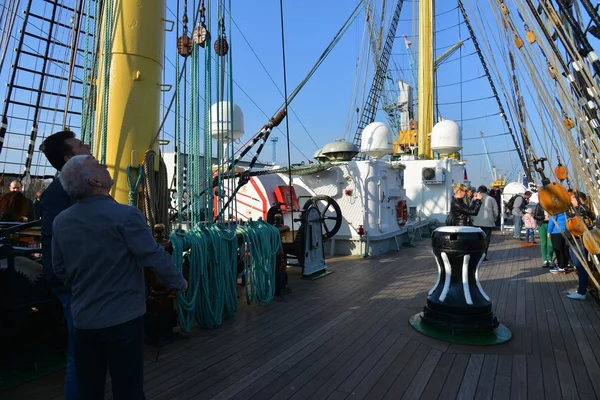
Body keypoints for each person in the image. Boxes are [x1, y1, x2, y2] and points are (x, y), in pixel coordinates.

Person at [52, 155, 187, 400]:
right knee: (128, 387)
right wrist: (180, 283)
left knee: (89, 388)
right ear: (95, 180)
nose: (104, 166)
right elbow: (153, 256)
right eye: (98, 165)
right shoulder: (126, 216)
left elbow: (59, 269)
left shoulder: (61, 221)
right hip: (123, 320)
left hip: (84, 320)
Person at [39, 130, 91, 400]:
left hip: (79, 282)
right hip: (75, 284)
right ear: (69, 157)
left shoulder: (66, 192)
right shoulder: (64, 194)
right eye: (81, 145)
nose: (88, 146)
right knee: (81, 355)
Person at [566, 191, 596, 299]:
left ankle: (582, 292)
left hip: (578, 243)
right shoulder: (578, 210)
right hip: (575, 242)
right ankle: (581, 289)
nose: (571, 200)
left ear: (578, 200)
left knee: (581, 267)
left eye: (573, 198)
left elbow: (581, 225)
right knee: (580, 267)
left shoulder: (580, 211)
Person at [472, 185, 498, 260]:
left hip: (475, 223)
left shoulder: (475, 198)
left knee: (476, 240)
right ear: (486, 191)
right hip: (488, 223)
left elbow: (471, 207)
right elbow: (496, 211)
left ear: (479, 191)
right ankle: (483, 256)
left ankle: (476, 255)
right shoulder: (491, 199)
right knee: (485, 240)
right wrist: (494, 219)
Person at [534, 202, 554, 267]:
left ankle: (550, 259)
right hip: (542, 224)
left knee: (550, 243)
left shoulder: (552, 204)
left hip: (550, 224)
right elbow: (535, 216)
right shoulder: (539, 204)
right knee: (543, 243)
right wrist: (543, 217)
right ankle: (545, 260)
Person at [548, 210, 569, 274]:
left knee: (558, 250)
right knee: (564, 249)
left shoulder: (555, 211)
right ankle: (565, 266)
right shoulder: (565, 210)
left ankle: (561, 267)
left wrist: (549, 231)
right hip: (565, 231)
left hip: (556, 231)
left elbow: (552, 221)